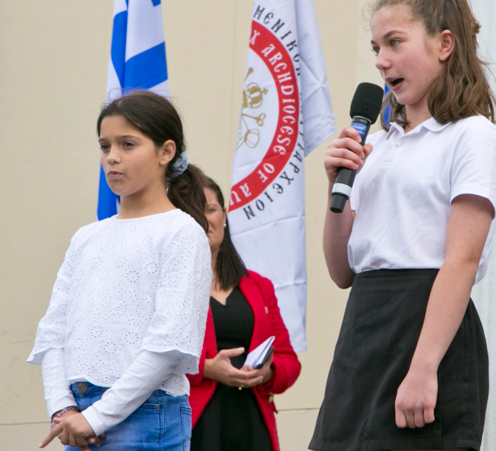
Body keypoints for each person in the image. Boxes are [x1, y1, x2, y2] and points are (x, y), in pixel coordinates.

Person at [309, 0, 496, 451]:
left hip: (427, 324)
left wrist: (423, 368)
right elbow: (342, 271)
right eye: (377, 46)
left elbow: (460, 260)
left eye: (395, 42)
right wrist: (336, 184)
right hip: (364, 329)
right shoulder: (374, 145)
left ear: (444, 45)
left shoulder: (471, 136)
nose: (381, 60)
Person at [27, 91, 213, 451]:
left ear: (166, 151)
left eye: (128, 144)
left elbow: (168, 343)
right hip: (76, 418)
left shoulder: (181, 231)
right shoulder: (87, 237)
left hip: (146, 412)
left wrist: (96, 417)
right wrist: (63, 408)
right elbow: (53, 332)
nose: (112, 157)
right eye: (105, 145)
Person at [187, 177, 301, 451]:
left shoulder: (259, 286)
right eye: (191, 212)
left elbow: (289, 361)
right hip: (195, 427)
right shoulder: (168, 285)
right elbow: (151, 359)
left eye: (210, 209)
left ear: (224, 216)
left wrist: (267, 373)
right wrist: (206, 369)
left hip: (251, 425)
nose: (203, 220)